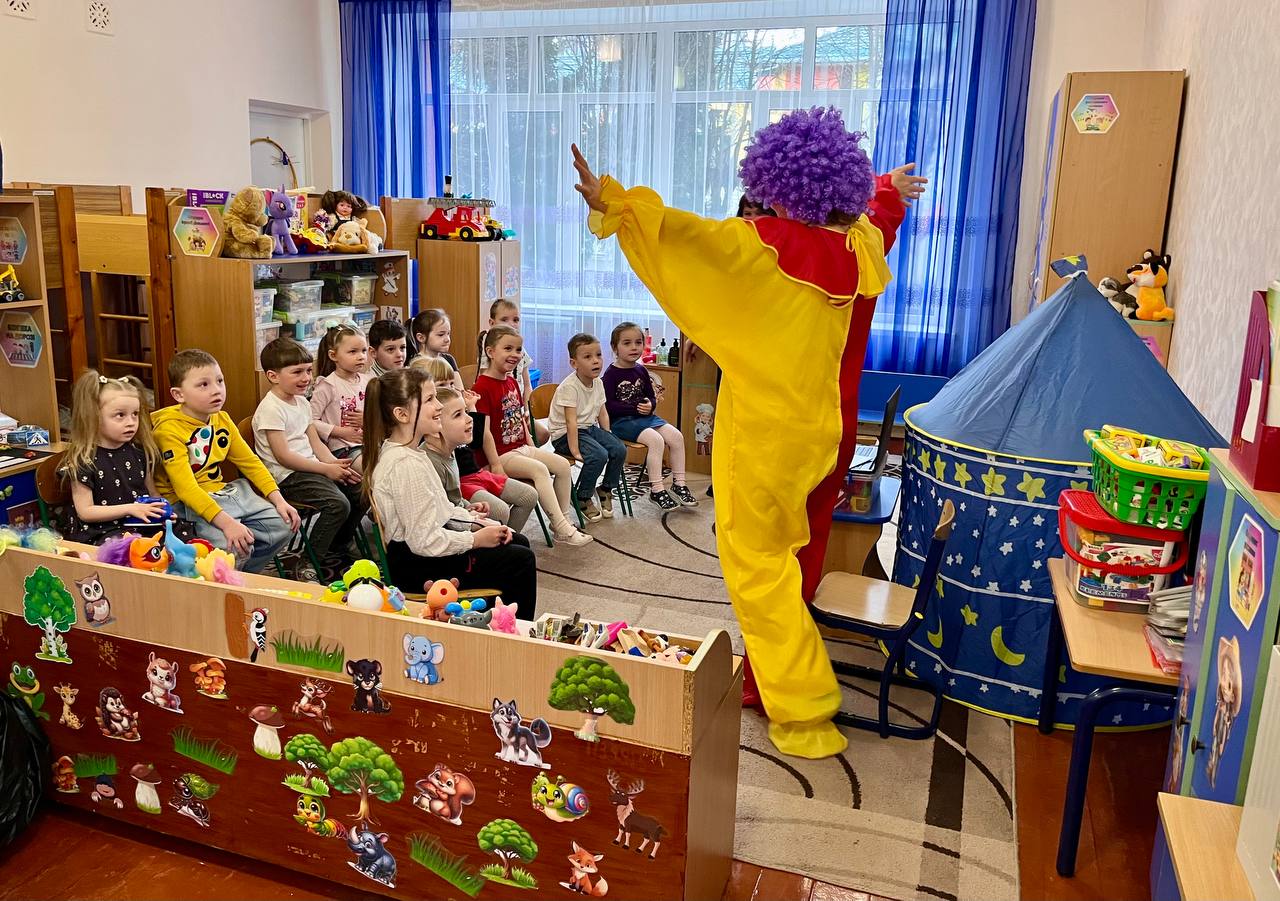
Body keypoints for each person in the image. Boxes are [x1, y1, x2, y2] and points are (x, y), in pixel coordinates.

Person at [572, 106, 926, 759]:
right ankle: (772, 679)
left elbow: (689, 237)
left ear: (775, 181)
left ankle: (804, 707)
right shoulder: (856, 250)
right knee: (789, 558)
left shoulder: (763, 245)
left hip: (765, 436)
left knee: (757, 566)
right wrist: (886, 189)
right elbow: (876, 221)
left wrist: (614, 203)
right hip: (824, 432)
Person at [363, 368, 538, 615]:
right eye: (429, 399)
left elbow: (442, 509)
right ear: (402, 414)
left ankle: (496, 619)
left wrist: (476, 521)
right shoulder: (405, 464)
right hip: (417, 566)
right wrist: (475, 539)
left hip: (421, 554)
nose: (438, 406)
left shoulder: (412, 453)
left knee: (517, 541)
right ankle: (508, 629)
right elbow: (424, 541)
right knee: (520, 560)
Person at [153, 349, 299, 571]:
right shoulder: (168, 431)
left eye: (220, 381)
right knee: (234, 547)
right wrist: (228, 523)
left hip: (223, 492)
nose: (216, 390)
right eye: (204, 385)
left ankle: (243, 574)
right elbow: (186, 490)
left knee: (284, 526)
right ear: (179, 395)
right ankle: (226, 580)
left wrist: (278, 499)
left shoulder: (221, 418)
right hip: (185, 503)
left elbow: (250, 462)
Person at [254, 337, 366, 582]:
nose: (306, 378)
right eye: (297, 372)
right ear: (273, 376)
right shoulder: (271, 409)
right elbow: (284, 457)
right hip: (287, 476)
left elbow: (315, 443)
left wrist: (333, 463)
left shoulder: (301, 402)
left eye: (308, 370)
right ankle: (308, 561)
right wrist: (324, 469)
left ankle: (335, 545)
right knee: (337, 504)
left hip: (311, 468)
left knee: (362, 491)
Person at [474, 326, 593, 547]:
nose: (515, 354)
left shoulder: (511, 381)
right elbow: (484, 432)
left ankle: (563, 522)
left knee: (562, 466)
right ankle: (561, 525)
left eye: (518, 349)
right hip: (500, 455)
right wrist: (496, 464)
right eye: (508, 348)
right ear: (490, 352)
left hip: (520, 447)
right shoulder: (482, 386)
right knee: (539, 470)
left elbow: (519, 418)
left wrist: (531, 445)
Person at [63, 370, 165, 544]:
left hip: (138, 524)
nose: (131, 422)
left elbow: (152, 493)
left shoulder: (139, 452)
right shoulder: (83, 460)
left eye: (135, 414)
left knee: (179, 534)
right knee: (133, 549)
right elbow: (85, 512)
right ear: (94, 417)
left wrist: (162, 511)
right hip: (102, 532)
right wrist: (130, 509)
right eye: (120, 415)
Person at [603, 322, 695, 511]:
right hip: (621, 422)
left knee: (676, 437)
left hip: (644, 418)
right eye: (627, 343)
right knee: (656, 440)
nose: (634, 347)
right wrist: (636, 408)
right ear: (614, 347)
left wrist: (650, 405)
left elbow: (651, 396)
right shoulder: (610, 374)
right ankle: (657, 489)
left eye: (638, 342)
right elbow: (607, 406)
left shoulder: (641, 370)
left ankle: (679, 484)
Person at [425, 386, 537, 531]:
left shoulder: (449, 449)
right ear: (435, 424)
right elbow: (443, 518)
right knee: (500, 513)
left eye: (466, 412)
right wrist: (471, 517)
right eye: (458, 415)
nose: (470, 418)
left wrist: (468, 507)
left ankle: (505, 539)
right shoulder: (430, 462)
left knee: (528, 496)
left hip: (472, 487)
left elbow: (455, 499)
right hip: (454, 527)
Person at [549, 332, 626, 523]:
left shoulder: (598, 382)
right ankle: (582, 496)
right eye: (588, 357)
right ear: (574, 363)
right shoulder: (570, 387)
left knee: (618, 448)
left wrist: (608, 436)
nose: (596, 361)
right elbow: (571, 422)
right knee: (598, 455)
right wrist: (574, 450)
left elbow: (602, 412)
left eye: (598, 355)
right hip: (565, 435)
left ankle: (605, 488)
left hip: (587, 429)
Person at [478, 299, 545, 444]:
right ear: (492, 323)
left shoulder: (521, 351)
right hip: (502, 411)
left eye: (515, 320)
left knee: (543, 434)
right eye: (504, 319)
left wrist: (527, 410)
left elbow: (527, 385)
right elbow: (486, 382)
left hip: (517, 408)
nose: (511, 324)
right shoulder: (490, 350)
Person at [310, 324, 371, 469]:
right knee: (372, 472)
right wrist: (340, 432)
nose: (361, 356)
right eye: (353, 352)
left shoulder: (369, 381)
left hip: (370, 443)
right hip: (344, 449)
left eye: (363, 351)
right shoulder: (327, 385)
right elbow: (310, 420)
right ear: (333, 355)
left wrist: (368, 419)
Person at [408, 308, 465, 392]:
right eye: (441, 335)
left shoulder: (449, 359)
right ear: (421, 337)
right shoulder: (415, 364)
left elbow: (460, 392)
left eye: (448, 333)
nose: (447, 339)